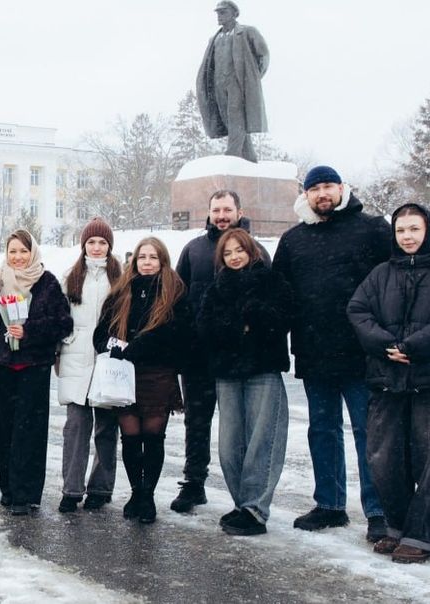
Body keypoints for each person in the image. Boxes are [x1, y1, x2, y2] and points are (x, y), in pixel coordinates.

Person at [273, 165, 392, 541]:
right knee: (322, 431)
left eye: (328, 186)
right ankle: (330, 504)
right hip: (314, 353)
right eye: (315, 188)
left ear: (342, 188)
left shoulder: (372, 229)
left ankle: (378, 510)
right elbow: (280, 296)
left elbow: (394, 282)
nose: (322, 193)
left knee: (367, 433)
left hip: (363, 354)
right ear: (305, 195)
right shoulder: (293, 240)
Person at [172, 190, 271, 513]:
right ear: (210, 212)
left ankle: (244, 494)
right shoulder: (194, 250)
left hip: (238, 358)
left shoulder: (256, 252)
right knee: (197, 421)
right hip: (198, 354)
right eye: (216, 210)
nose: (222, 215)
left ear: (239, 211)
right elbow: (177, 297)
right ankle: (194, 481)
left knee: (237, 427)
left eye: (227, 209)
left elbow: (269, 299)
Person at [196, 228, 293, 535]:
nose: (235, 256)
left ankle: (255, 509)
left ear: (252, 251)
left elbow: (281, 319)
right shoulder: (217, 287)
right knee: (229, 445)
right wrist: (242, 326)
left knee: (262, 441)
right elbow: (205, 327)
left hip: (262, 370)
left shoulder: (270, 281)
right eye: (228, 252)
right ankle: (242, 504)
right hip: (227, 373)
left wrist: (252, 318)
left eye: (240, 250)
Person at [348, 203, 430, 563]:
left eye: (414, 229)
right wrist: (386, 345)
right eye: (401, 230)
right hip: (387, 380)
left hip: (425, 380)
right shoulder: (381, 273)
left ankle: (420, 534)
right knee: (384, 459)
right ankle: (396, 526)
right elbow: (357, 310)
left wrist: (413, 347)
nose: (407, 236)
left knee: (427, 459)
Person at [93, 237, 189, 524]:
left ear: (162, 261)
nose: (147, 263)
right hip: (124, 375)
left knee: (153, 436)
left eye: (153, 257)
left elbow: (177, 332)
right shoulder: (122, 291)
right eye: (142, 257)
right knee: (131, 437)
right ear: (134, 262)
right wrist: (112, 347)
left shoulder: (174, 291)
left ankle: (148, 495)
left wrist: (141, 346)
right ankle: (136, 491)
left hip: (157, 374)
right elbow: (101, 332)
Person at [0, 230, 72, 515]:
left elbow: (63, 323)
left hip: (33, 368)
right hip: (4, 368)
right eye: (13, 251)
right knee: (5, 430)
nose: (18, 257)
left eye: (23, 251)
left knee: (30, 432)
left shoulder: (46, 283)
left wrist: (29, 332)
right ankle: (8, 489)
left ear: (33, 252)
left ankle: (26, 494)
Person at [57, 218, 122, 514]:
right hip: (75, 358)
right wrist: (60, 351)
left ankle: (100, 487)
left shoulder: (120, 277)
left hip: (107, 360)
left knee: (106, 429)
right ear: (83, 245)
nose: (97, 248)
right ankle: (71, 489)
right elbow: (60, 318)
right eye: (91, 242)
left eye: (102, 243)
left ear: (109, 247)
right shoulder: (71, 276)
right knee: (76, 427)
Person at [196, 1, 269, 162]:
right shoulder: (215, 38)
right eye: (218, 13)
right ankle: (250, 158)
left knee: (235, 116)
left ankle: (232, 155)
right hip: (219, 85)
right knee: (228, 119)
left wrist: (252, 78)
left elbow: (263, 56)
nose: (219, 16)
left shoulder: (248, 32)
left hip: (238, 84)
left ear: (234, 14)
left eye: (223, 12)